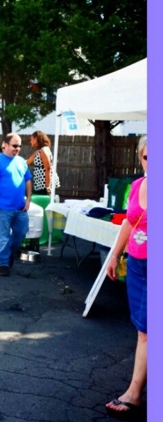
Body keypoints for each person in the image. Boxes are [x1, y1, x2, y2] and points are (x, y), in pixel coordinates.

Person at [105, 136, 147, 419]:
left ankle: (134, 393)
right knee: (143, 330)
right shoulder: (137, 186)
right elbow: (129, 223)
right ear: (140, 158)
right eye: (147, 157)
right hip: (137, 266)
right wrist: (114, 255)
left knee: (147, 331)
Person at [0, 133, 32, 277]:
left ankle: (9, 254)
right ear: (4, 144)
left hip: (20, 208)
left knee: (22, 232)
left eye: (19, 146)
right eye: (14, 145)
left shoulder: (21, 162)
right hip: (3, 208)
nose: (17, 148)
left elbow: (28, 180)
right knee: (3, 237)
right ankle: (4, 264)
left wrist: (29, 199)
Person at [26, 130, 59, 195]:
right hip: (39, 183)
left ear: (36, 139)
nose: (30, 142)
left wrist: (48, 186)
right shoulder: (39, 151)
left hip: (44, 184)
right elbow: (27, 162)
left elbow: (48, 168)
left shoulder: (43, 151)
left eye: (32, 139)